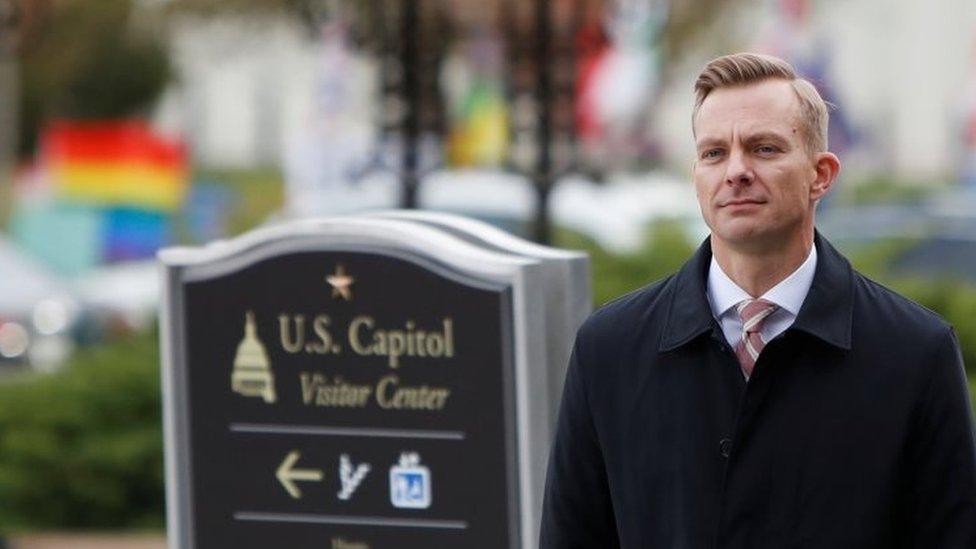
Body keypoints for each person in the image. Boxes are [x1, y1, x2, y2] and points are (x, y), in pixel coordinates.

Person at [540, 53, 976, 548]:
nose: (736, 171)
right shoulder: (609, 350)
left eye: (764, 148)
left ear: (822, 175)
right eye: (713, 153)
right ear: (696, 176)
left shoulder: (916, 353)